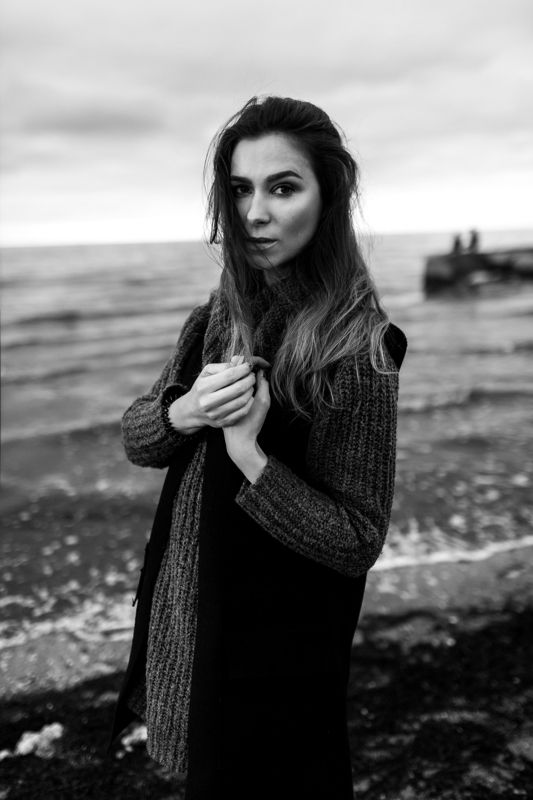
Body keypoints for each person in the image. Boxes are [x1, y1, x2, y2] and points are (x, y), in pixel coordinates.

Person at [109, 95, 407, 799]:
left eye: (283, 186)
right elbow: (135, 439)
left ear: (327, 196)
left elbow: (356, 538)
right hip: (190, 612)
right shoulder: (214, 320)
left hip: (275, 653)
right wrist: (182, 413)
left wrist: (250, 458)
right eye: (239, 189)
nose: (255, 213)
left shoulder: (359, 350)